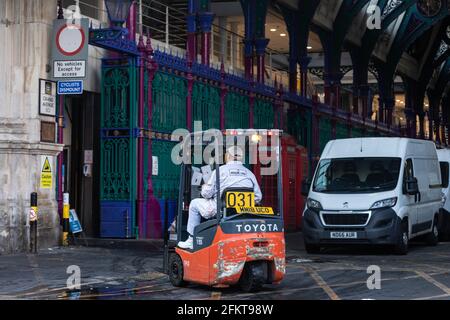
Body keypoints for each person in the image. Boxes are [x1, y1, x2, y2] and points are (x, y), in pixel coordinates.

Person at [178, 146, 262, 249]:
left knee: (194, 204)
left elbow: (206, 194)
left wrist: (204, 188)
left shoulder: (220, 171)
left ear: (227, 156)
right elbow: (258, 197)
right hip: (243, 212)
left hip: (220, 210)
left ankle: (191, 240)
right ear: (241, 158)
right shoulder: (250, 173)